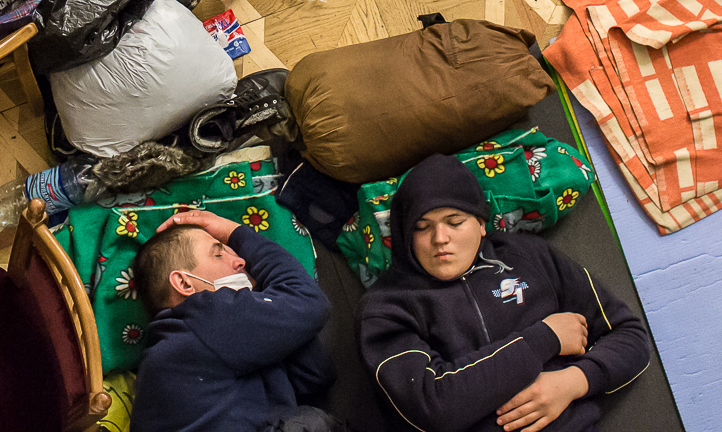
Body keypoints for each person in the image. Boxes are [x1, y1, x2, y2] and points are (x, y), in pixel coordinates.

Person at [359, 154, 650, 432]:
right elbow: (434, 406)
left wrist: (574, 381)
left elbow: (630, 336)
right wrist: (544, 338)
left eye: (455, 222)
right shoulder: (386, 306)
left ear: (481, 223)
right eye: (422, 227)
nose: (440, 238)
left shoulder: (527, 255)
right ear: (405, 237)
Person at [131, 207, 343, 432]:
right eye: (219, 254)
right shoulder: (204, 319)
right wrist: (233, 232)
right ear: (184, 283)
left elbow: (315, 376)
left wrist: (267, 301)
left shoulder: (194, 342)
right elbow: (308, 302)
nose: (241, 261)